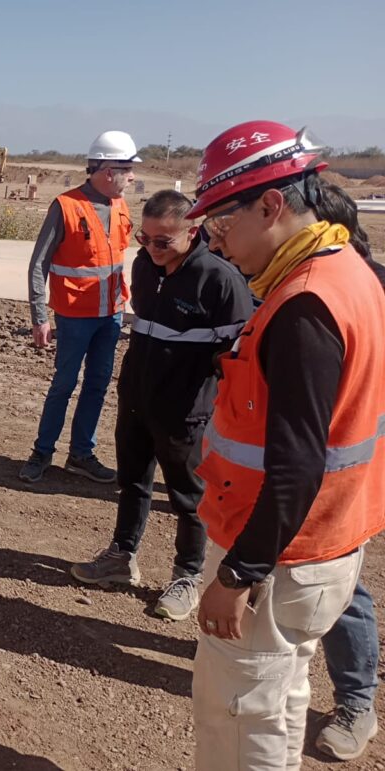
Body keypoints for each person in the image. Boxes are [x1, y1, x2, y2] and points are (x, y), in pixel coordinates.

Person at [186, 121, 385, 770]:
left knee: (244, 721)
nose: (216, 243)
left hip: (282, 557)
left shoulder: (304, 305)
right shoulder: (350, 271)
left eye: (221, 223)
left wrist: (237, 572)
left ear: (271, 205)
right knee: (278, 700)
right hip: (327, 541)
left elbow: (297, 465)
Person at [70, 190, 252, 621]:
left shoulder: (220, 280)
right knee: (132, 483)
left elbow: (240, 360)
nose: (150, 249)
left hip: (185, 414)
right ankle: (122, 556)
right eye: (144, 239)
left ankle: (188, 574)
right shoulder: (143, 267)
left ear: (193, 231)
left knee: (190, 499)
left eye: (162, 242)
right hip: (136, 401)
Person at [20, 131, 140, 484]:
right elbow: (38, 264)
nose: (132, 177)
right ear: (106, 171)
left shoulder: (120, 205)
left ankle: (81, 454)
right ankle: (42, 452)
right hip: (74, 317)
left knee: (98, 385)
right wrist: (39, 317)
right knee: (64, 384)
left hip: (111, 314)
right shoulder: (66, 206)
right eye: (127, 169)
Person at [309, 182, 382, 761]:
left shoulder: (363, 286)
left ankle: (357, 700)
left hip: (343, 469)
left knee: (342, 587)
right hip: (289, 463)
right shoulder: (288, 284)